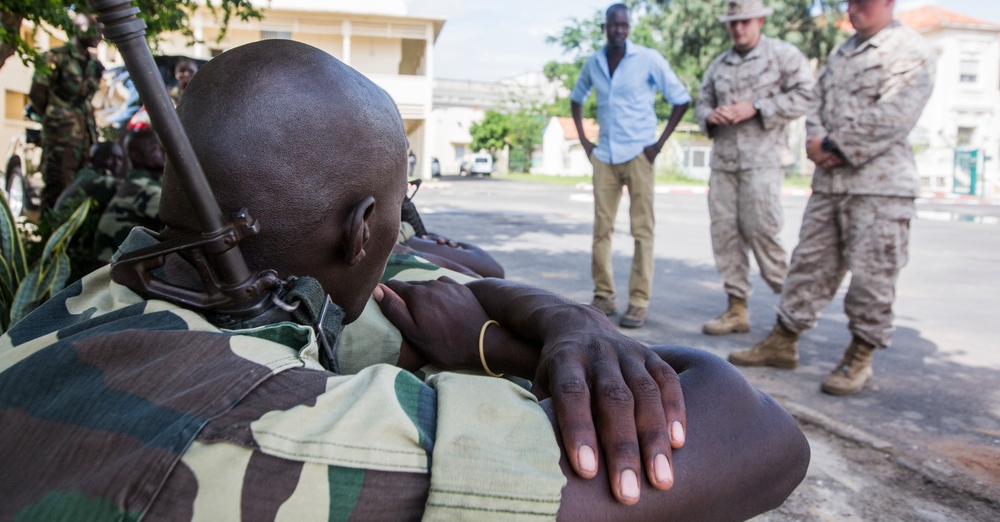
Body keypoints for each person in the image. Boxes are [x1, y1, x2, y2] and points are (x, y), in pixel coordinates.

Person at [0, 40, 808, 520]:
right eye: (399, 208)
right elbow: (760, 434)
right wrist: (525, 350)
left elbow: (445, 282)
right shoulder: (283, 429)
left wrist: (572, 324)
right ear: (361, 231)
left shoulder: (104, 295)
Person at [729, 0, 935, 396]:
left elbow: (895, 113)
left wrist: (834, 146)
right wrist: (816, 142)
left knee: (872, 277)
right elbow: (816, 102)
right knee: (808, 265)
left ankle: (860, 356)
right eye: (850, 1)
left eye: (863, 1)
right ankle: (784, 340)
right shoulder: (842, 52)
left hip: (880, 189)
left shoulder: (911, 51)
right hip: (830, 184)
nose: (852, 9)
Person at [695, 0, 814, 335]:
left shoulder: (782, 56)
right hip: (725, 163)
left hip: (762, 161)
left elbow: (807, 95)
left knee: (763, 232)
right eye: (732, 23)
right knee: (725, 235)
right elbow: (701, 104)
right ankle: (736, 309)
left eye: (745, 21)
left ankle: (792, 312)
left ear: (760, 21)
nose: (738, 29)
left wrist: (758, 106)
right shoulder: (719, 65)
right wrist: (711, 116)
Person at [571, 3, 691, 328]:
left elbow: (680, 98)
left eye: (624, 25)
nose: (619, 30)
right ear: (605, 27)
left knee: (642, 230)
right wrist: (585, 142)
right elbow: (576, 98)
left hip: (640, 153)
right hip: (605, 155)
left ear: (629, 27)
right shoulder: (594, 62)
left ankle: (638, 301)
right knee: (601, 229)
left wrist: (657, 145)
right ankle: (604, 295)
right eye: (613, 25)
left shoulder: (648, 59)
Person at [29, 12, 104, 210]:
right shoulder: (55, 57)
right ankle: (48, 236)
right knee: (57, 189)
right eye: (95, 30)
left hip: (86, 137)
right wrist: (57, 116)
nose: (100, 36)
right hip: (61, 138)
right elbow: (37, 93)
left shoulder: (95, 65)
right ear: (79, 28)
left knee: (82, 191)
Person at [92, 129, 164, 264]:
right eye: (155, 149)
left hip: (124, 265)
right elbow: (186, 216)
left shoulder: (142, 182)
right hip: (114, 273)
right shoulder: (141, 186)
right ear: (138, 157)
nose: (163, 151)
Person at [53, 140, 126, 212]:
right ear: (92, 160)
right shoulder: (89, 178)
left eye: (120, 159)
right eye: (109, 158)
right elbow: (125, 186)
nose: (116, 163)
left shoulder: (85, 174)